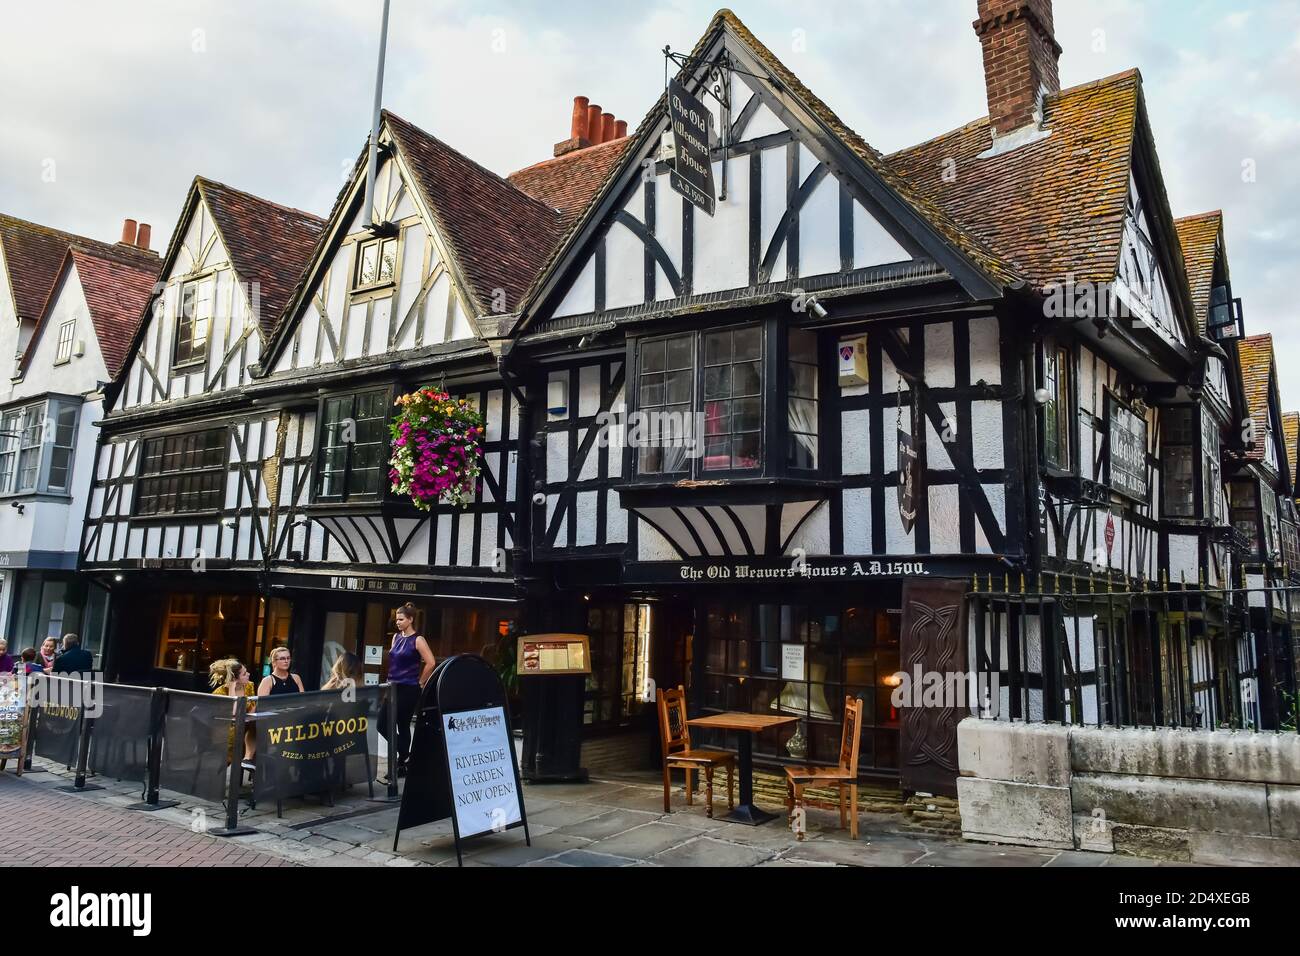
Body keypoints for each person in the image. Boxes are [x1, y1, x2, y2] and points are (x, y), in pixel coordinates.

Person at [378, 603, 435, 783]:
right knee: (382, 724)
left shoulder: (418, 640)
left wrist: (420, 681)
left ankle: (401, 763)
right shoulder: (396, 637)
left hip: (409, 688)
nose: (398, 622)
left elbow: (431, 662)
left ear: (410, 620)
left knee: (402, 724)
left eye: (401, 619)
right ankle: (405, 757)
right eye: (396, 619)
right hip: (392, 686)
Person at [210, 658, 256, 768]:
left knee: (258, 734)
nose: (248, 674)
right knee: (233, 738)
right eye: (244, 674)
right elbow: (232, 715)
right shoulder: (220, 693)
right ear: (234, 679)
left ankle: (248, 761)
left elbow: (252, 708)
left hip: (245, 727)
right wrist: (232, 689)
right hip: (225, 731)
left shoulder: (249, 686)